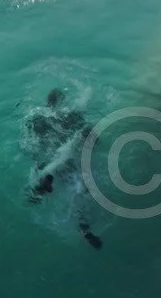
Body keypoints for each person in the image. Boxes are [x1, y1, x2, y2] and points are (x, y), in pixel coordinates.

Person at [26, 89, 103, 249]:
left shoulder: (38, 119)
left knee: (46, 166)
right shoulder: (73, 116)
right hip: (70, 160)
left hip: (50, 159)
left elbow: (29, 144)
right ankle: (84, 229)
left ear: (48, 104)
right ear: (64, 102)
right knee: (82, 189)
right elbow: (93, 137)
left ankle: (42, 185)